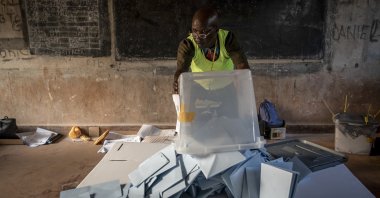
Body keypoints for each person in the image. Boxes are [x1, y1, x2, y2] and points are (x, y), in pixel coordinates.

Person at [173, 6, 249, 94]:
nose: (197, 37)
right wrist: (178, 80)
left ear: (216, 29)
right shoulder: (188, 44)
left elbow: (242, 67)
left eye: (203, 32)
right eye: (194, 31)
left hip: (226, 88)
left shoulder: (228, 40)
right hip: (199, 88)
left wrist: (243, 83)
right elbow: (181, 71)